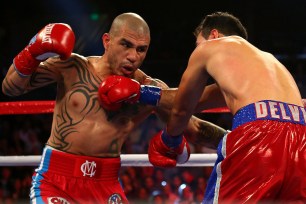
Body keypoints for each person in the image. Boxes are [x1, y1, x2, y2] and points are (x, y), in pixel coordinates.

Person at [2, 12, 226, 203]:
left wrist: (236, 139)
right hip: (56, 180)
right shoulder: (73, 67)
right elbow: (11, 88)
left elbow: (192, 126)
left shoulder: (148, 89)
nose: (133, 56)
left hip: (106, 184)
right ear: (107, 41)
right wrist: (32, 51)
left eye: (141, 49)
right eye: (126, 45)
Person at [148, 11, 306, 203]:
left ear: (213, 35)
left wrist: (169, 138)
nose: (197, 48)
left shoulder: (210, 48)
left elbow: (182, 109)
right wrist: (142, 93)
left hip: (259, 135)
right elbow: (196, 100)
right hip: (300, 138)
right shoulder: (268, 62)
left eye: (198, 43)